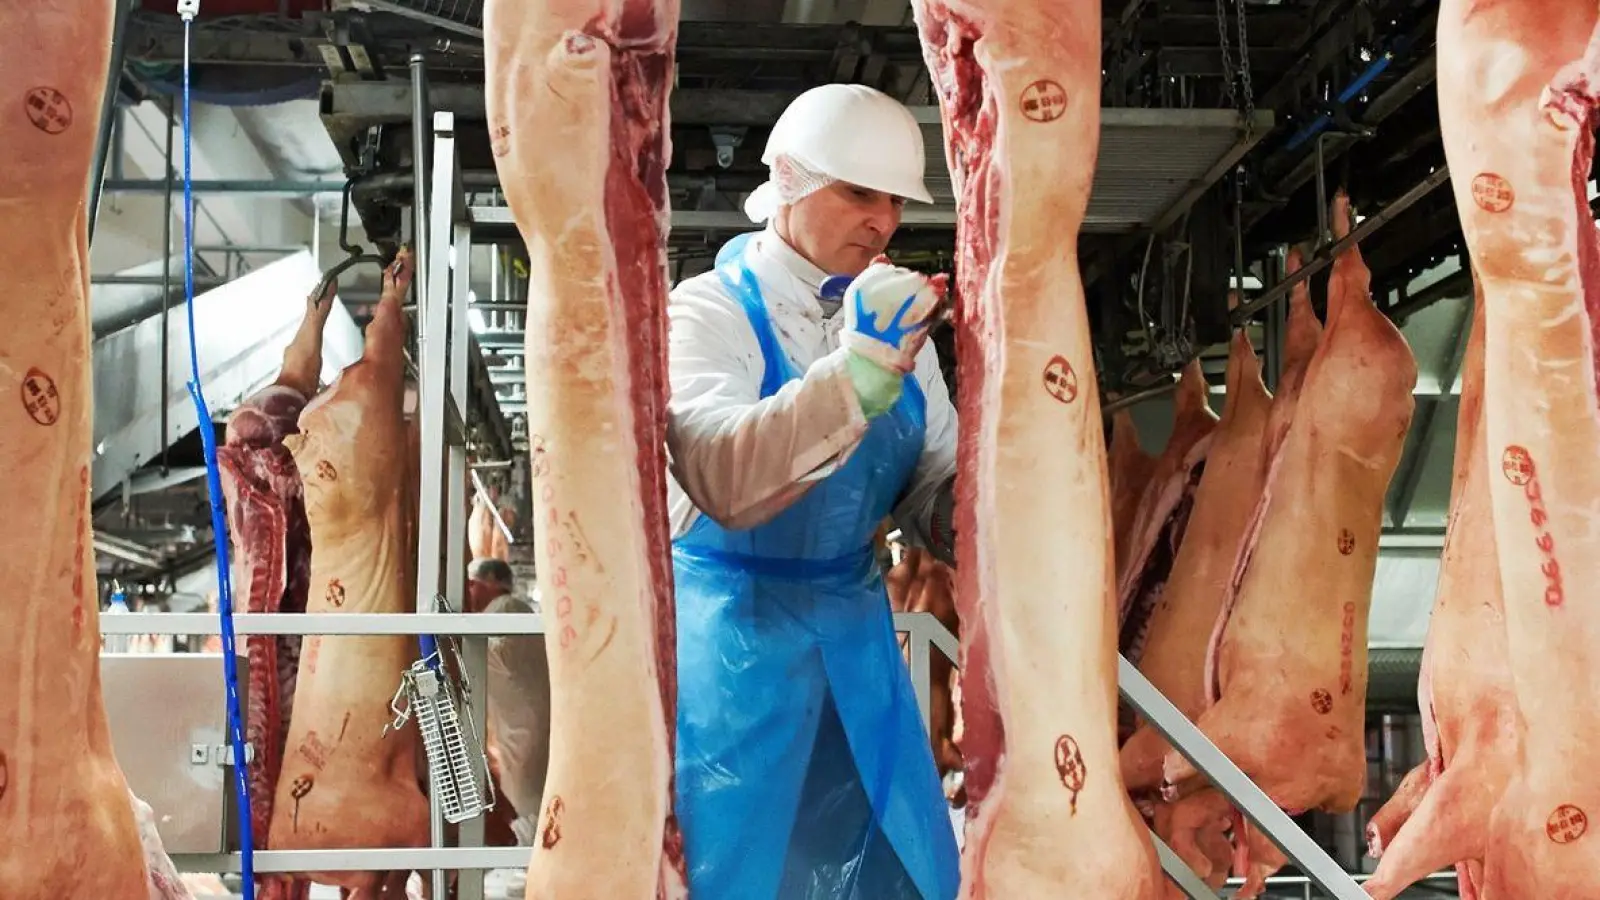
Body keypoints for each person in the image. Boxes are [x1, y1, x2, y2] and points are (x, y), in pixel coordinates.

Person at [666, 83, 960, 900]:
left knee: (907, 874)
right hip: (732, 653)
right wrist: (861, 373)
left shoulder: (903, 327)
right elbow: (721, 473)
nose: (886, 222)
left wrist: (979, 512)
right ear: (790, 181)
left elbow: (933, 478)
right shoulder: (707, 314)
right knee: (735, 875)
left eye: (896, 202)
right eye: (861, 194)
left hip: (859, 643)